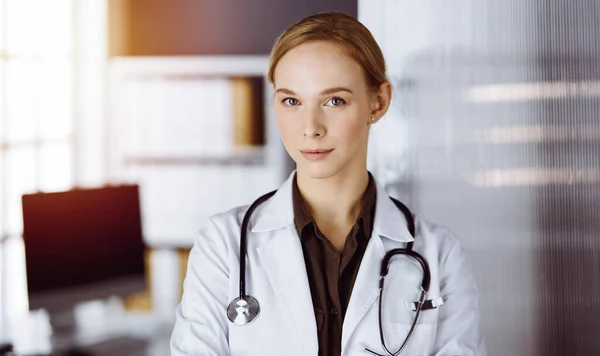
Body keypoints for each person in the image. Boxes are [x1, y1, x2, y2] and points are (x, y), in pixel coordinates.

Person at [170, 11, 485, 356]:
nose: (310, 127)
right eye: (292, 101)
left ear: (378, 103)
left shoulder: (440, 255)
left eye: (334, 101)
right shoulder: (224, 245)